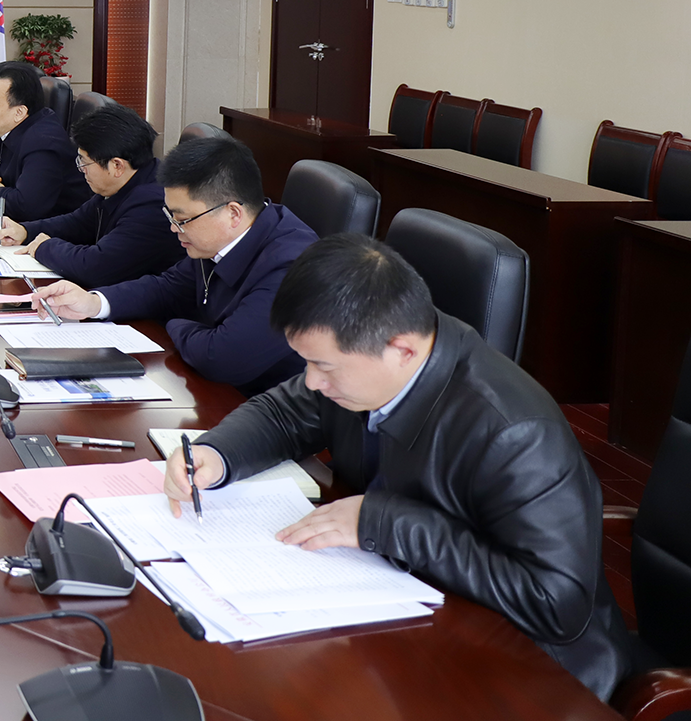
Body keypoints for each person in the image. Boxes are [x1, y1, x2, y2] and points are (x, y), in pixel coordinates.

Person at [163, 234, 634, 700]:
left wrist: (384, 523)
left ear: (402, 349)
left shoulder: (513, 431)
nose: (312, 380)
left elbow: (556, 603)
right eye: (305, 362)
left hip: (525, 673)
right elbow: (284, 413)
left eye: (324, 366)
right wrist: (215, 454)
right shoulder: (368, 364)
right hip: (407, 609)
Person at [41, 134, 316, 394]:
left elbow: (220, 358)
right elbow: (167, 288)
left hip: (270, 407)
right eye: (170, 216)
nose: (174, 228)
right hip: (213, 389)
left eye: (182, 220)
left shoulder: (291, 268)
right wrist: (93, 303)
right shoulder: (219, 239)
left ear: (233, 213)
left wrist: (174, 325)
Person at [0, 104, 182, 287]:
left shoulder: (153, 203)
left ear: (117, 166)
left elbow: (96, 268)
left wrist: (45, 247)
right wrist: (24, 231)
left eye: (84, 162)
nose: (81, 169)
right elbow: (78, 222)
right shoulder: (124, 182)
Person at [0, 60, 86, 219]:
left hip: (50, 229)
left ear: (19, 112)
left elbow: (26, 207)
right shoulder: (8, 126)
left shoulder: (44, 143)